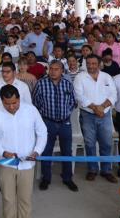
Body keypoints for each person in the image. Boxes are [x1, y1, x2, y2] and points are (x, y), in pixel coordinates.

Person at [0, 84, 46, 218]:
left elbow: (42, 132)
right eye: (7, 104)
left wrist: (37, 151)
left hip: (27, 164)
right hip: (6, 163)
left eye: (14, 102)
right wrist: (2, 152)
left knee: (25, 199)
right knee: (8, 199)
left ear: (19, 98)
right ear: (2, 100)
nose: (12, 107)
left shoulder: (31, 110)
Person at [32, 60, 79, 191]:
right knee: (46, 150)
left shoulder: (67, 84)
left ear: (62, 71)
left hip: (65, 123)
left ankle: (67, 178)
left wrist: (67, 113)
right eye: (51, 69)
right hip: (47, 123)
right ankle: (46, 178)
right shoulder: (41, 84)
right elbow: (35, 103)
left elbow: (73, 102)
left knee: (67, 151)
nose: (53, 71)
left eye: (56, 69)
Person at [73, 55, 118, 182]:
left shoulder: (107, 77)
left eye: (94, 63)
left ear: (99, 64)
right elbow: (79, 96)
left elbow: (114, 94)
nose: (91, 66)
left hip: (105, 114)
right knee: (90, 143)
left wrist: (102, 107)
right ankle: (92, 169)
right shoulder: (80, 77)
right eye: (89, 63)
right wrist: (95, 108)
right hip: (87, 114)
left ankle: (106, 170)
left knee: (107, 143)